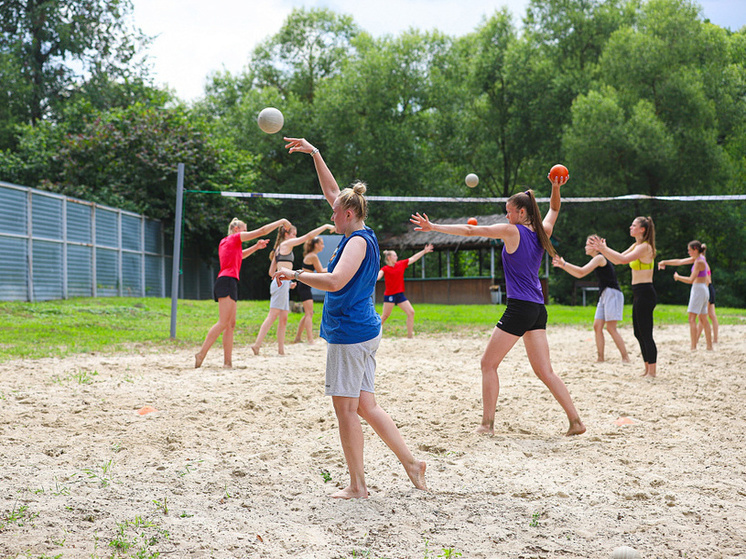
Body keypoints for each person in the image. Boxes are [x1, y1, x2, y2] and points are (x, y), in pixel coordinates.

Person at [275, 136, 427, 499]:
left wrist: (294, 274)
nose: (330, 215)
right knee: (365, 405)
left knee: (347, 411)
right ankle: (411, 463)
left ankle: (358, 486)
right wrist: (314, 153)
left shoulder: (356, 242)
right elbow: (331, 189)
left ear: (349, 213)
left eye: (335, 211)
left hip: (350, 333)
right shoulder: (360, 231)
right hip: (363, 329)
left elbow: (335, 281)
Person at [410, 179, 586, 437]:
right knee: (545, 371)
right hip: (537, 308)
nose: (506, 215)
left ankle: (487, 425)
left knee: (488, 364)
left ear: (521, 212)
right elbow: (555, 209)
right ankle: (576, 421)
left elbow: (471, 232)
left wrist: (433, 226)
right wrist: (556, 188)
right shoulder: (542, 231)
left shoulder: (512, 231)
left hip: (520, 308)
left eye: (509, 211)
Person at [195, 217, 291, 369]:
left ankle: (227, 362)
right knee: (223, 323)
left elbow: (239, 256)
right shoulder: (234, 238)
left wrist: (255, 247)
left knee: (230, 325)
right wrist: (281, 221)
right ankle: (201, 354)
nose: (247, 232)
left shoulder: (227, 242)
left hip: (229, 281)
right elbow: (262, 231)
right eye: (245, 229)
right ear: (236, 229)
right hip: (226, 281)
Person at [251, 222, 335, 355]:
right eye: (294, 234)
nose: (296, 237)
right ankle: (256, 345)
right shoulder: (285, 244)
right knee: (273, 315)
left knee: (283, 317)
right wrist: (325, 226)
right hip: (280, 285)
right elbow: (308, 236)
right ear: (286, 234)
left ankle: (281, 350)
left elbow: (271, 271)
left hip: (282, 284)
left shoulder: (279, 247)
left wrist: (286, 281)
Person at [588, 216, 657, 377]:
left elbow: (623, 259)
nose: (630, 227)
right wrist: (603, 249)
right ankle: (647, 368)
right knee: (638, 333)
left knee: (646, 333)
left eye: (634, 225)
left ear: (642, 229)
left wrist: (604, 249)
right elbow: (617, 260)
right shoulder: (636, 245)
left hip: (646, 292)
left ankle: (652, 371)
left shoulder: (645, 247)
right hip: (638, 292)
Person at [553, 236, 630, 363]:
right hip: (605, 294)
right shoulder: (597, 259)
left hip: (612, 293)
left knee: (611, 328)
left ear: (595, 247)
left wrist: (564, 264)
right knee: (597, 326)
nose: (585, 247)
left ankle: (625, 357)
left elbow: (582, 272)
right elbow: (579, 274)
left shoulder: (600, 257)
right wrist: (563, 265)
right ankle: (600, 358)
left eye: (588, 244)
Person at [658, 240, 714, 350]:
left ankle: (693, 346)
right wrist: (664, 262)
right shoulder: (699, 258)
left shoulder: (699, 262)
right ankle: (709, 346)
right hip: (702, 290)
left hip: (699, 290)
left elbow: (690, 279)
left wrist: (678, 277)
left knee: (692, 318)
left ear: (695, 249)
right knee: (703, 319)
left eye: (689, 250)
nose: (688, 252)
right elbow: (679, 262)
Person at [377, 244, 434, 338]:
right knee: (385, 316)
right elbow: (378, 276)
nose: (397, 257)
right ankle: (371, 333)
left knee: (411, 312)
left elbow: (413, 258)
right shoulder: (385, 269)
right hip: (390, 295)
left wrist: (424, 251)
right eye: (395, 255)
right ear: (389, 257)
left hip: (399, 295)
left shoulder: (400, 264)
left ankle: (410, 336)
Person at [292, 235, 328, 344]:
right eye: (321, 244)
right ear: (316, 245)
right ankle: (310, 339)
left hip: (304, 285)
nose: (323, 246)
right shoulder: (313, 256)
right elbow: (321, 271)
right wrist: (334, 267)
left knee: (308, 313)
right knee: (309, 313)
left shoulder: (311, 255)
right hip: (304, 286)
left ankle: (298, 337)